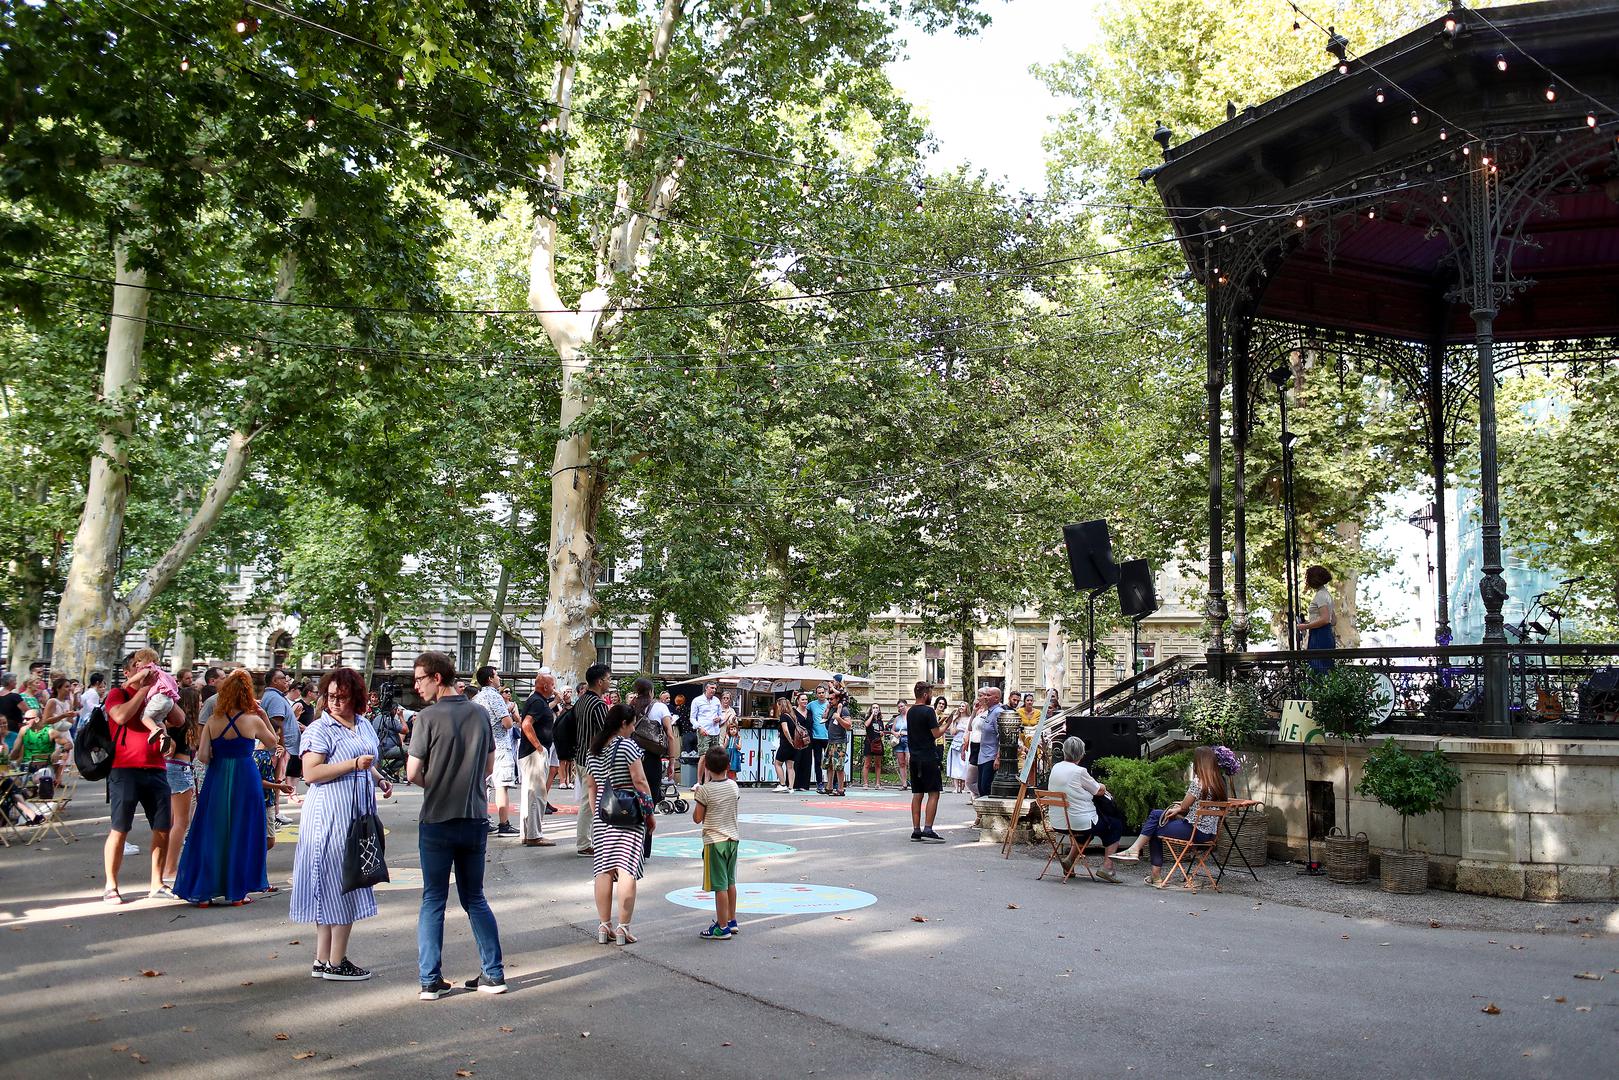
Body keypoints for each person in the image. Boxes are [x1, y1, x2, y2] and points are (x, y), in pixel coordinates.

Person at [408, 650, 506, 999]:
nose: (415, 686)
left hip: (437, 818)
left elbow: (412, 772)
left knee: (433, 898)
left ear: (437, 677)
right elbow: (490, 765)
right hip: (475, 817)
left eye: (420, 678)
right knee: (475, 897)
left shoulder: (427, 718)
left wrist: (436, 784)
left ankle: (429, 979)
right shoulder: (479, 713)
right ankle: (494, 973)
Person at [291, 666, 393, 981]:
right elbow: (311, 774)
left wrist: (378, 778)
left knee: (339, 883)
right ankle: (337, 962)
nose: (335, 702)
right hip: (330, 817)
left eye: (342, 697)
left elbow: (368, 759)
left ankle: (323, 960)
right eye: (331, 696)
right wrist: (352, 765)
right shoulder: (319, 730)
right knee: (341, 884)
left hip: (356, 816)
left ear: (356, 698)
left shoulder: (362, 724)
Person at [172, 670, 275, 906]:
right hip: (245, 778)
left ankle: (204, 893)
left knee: (212, 830)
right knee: (242, 831)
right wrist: (264, 716)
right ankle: (237, 892)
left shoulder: (212, 721)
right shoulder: (253, 720)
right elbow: (272, 743)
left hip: (217, 778)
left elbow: (203, 756)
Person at [101, 652, 180, 904]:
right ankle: (111, 885)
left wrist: (165, 687)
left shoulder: (155, 696)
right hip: (124, 769)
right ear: (128, 673)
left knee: (163, 827)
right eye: (138, 667)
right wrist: (141, 689)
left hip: (156, 768)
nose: (146, 669)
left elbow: (179, 719)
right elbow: (121, 717)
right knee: (120, 828)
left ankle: (157, 883)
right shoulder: (118, 694)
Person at [585, 703, 653, 947]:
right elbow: (640, 781)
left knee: (603, 869)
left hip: (603, 815)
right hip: (629, 814)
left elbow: (591, 786)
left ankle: (604, 925)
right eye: (632, 723)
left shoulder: (594, 749)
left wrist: (597, 814)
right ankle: (624, 928)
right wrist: (649, 813)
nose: (633, 728)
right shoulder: (627, 746)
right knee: (627, 869)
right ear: (623, 724)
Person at [1113, 745, 1229, 887]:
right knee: (1156, 815)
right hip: (1210, 834)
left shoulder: (1199, 782)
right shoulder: (1220, 783)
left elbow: (1185, 806)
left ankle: (1151, 871)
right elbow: (1196, 804)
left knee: (1154, 829)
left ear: (1199, 763)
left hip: (1194, 831)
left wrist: (1179, 808)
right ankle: (1136, 852)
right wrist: (1179, 808)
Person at [1046, 737, 1125, 883]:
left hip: (1059, 822)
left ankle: (1070, 860)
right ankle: (1107, 867)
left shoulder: (1056, 768)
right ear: (1082, 754)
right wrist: (1103, 786)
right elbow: (1098, 790)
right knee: (1114, 824)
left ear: (1064, 752)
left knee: (1084, 826)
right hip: (1079, 822)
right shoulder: (1079, 772)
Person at [693, 745, 741, 940]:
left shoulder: (705, 791)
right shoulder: (733, 786)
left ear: (707, 767)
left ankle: (721, 927)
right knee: (730, 882)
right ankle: (731, 920)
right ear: (728, 765)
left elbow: (697, 818)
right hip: (733, 839)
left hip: (714, 840)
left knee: (719, 885)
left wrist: (698, 797)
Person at [160, 686, 203, 887]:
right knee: (181, 822)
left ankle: (162, 866)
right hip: (180, 769)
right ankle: (170, 867)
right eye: (199, 701)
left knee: (168, 822)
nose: (202, 704)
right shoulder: (185, 724)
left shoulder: (170, 723)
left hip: (169, 768)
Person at [473, 666, 518, 837]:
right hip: (499, 745)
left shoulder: (477, 698)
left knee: (484, 785)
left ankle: (483, 819)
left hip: (482, 745)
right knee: (501, 786)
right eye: (497, 675)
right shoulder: (495, 697)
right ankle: (504, 823)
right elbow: (506, 723)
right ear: (490, 679)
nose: (499, 678)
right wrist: (510, 714)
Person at [571, 664, 611, 858]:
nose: (609, 682)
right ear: (600, 681)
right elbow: (607, 733)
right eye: (608, 679)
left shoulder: (581, 701)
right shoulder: (598, 705)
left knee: (589, 800)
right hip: (593, 758)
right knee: (591, 801)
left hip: (579, 755)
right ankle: (585, 842)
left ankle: (587, 841)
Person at [899, 682, 947, 841]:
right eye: (931, 693)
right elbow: (936, 734)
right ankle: (928, 828)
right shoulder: (929, 711)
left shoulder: (910, 711)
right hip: (928, 757)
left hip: (914, 757)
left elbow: (922, 730)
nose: (932, 696)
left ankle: (916, 830)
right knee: (934, 793)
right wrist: (948, 722)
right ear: (926, 695)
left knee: (917, 793)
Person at [517, 672, 557, 847]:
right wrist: (539, 747)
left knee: (530, 793)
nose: (554, 688)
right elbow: (526, 724)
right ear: (546, 686)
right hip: (534, 753)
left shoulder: (537, 700)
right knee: (537, 794)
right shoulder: (538, 702)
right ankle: (534, 835)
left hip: (529, 753)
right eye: (553, 685)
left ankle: (529, 833)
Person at [122, 649, 181, 751]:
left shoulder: (148, 669)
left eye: (139, 661)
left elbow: (141, 675)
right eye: (135, 663)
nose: (137, 665)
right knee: (157, 720)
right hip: (169, 700)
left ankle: (155, 730)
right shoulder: (159, 670)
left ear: (147, 660)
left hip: (159, 698)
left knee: (144, 718)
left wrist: (128, 682)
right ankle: (164, 736)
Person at [261, 667, 299, 814]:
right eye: (283, 678)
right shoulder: (275, 698)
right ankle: (274, 812)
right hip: (281, 749)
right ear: (275, 681)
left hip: (283, 748)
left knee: (277, 780)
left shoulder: (276, 697)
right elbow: (277, 725)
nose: (287, 681)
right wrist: (280, 747)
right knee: (276, 780)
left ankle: (275, 812)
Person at [1300, 564, 1336, 673]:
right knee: (1326, 669)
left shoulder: (1320, 596)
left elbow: (1325, 619)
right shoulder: (1327, 595)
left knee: (1317, 669)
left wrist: (1305, 626)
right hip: (1327, 635)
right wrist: (1310, 622)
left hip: (1319, 636)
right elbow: (1333, 621)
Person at [971, 687, 1004, 799]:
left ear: (996, 698)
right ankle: (982, 816)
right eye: (985, 695)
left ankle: (988, 815)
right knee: (981, 787)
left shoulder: (998, 713)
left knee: (986, 787)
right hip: (982, 756)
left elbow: (1002, 737)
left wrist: (998, 757)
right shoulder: (989, 712)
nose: (985, 697)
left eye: (988, 695)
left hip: (991, 757)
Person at [690, 682, 724, 784]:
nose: (713, 690)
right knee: (704, 755)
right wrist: (699, 727)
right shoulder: (697, 700)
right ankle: (699, 782)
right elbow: (692, 717)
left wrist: (720, 718)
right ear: (706, 688)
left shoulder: (717, 701)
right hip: (704, 730)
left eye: (715, 688)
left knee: (712, 757)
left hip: (715, 731)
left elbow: (721, 714)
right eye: (712, 688)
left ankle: (707, 781)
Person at [822, 686, 851, 796]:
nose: (829, 701)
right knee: (829, 765)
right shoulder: (832, 708)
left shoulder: (843, 709)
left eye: (831, 699)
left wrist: (839, 718)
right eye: (828, 699)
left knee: (839, 766)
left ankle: (840, 789)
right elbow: (824, 717)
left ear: (838, 699)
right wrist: (828, 708)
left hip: (839, 741)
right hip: (831, 740)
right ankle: (829, 787)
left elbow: (848, 725)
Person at [772, 696, 800, 792]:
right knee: (790, 766)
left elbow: (785, 730)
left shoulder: (783, 716)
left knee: (777, 763)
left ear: (780, 705)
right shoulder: (793, 716)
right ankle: (791, 787)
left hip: (786, 744)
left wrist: (790, 740)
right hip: (795, 745)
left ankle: (782, 783)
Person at [806, 684, 829, 793]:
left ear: (825, 693)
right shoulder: (811, 705)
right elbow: (801, 710)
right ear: (816, 694)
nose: (821, 694)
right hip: (816, 737)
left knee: (831, 761)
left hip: (828, 737)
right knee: (818, 761)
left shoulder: (830, 704)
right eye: (819, 693)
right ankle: (819, 783)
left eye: (822, 692)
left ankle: (832, 783)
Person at [944, 701, 970, 794]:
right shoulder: (956, 719)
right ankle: (956, 787)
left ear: (967, 708)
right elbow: (952, 732)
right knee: (955, 764)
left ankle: (963, 786)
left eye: (963, 706)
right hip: (956, 742)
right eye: (960, 706)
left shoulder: (969, 718)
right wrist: (953, 722)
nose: (961, 707)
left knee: (964, 764)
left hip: (965, 743)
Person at [790, 691, 814, 791]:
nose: (805, 701)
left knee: (807, 761)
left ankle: (804, 784)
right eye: (802, 699)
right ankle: (794, 784)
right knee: (796, 760)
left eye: (806, 699)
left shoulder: (810, 712)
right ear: (798, 701)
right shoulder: (794, 712)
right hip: (798, 739)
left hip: (808, 739)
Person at [859, 703, 885, 789]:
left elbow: (881, 731)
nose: (875, 709)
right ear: (871, 709)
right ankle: (865, 783)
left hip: (877, 743)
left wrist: (882, 733)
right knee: (867, 764)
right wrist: (872, 715)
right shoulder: (868, 718)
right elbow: (866, 725)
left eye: (877, 708)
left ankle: (877, 783)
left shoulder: (880, 721)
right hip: (869, 743)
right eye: (873, 708)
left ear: (879, 710)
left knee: (878, 764)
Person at [75, 671, 105, 738]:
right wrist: (104, 706)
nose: (103, 684)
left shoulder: (88, 692)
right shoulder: (93, 693)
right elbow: (92, 707)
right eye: (102, 681)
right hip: (87, 720)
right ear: (97, 682)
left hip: (83, 718)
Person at [891, 700, 909, 791]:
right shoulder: (897, 718)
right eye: (899, 707)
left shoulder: (910, 717)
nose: (900, 708)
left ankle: (914, 782)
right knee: (901, 763)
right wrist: (895, 734)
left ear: (906, 706)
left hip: (908, 739)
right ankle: (904, 783)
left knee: (909, 761)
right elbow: (892, 730)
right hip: (899, 741)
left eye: (902, 706)